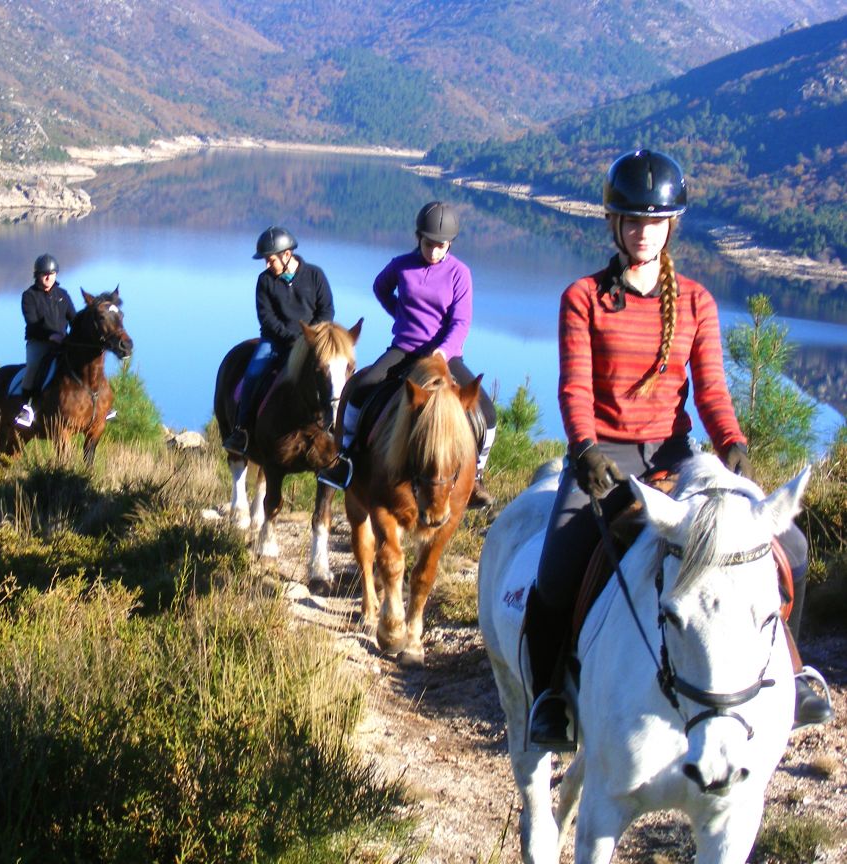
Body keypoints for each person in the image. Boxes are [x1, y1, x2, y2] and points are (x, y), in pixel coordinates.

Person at [525, 149, 831, 748]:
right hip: (603, 458)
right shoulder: (583, 298)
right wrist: (584, 448)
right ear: (615, 225)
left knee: (787, 544)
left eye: (655, 221)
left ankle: (793, 671)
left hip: (675, 454)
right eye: (633, 221)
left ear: (671, 226)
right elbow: (574, 386)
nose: (643, 233)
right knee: (557, 569)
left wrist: (732, 442)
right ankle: (550, 699)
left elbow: (711, 386)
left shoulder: (694, 301)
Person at [317, 201, 496, 509]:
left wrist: (443, 350)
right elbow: (380, 288)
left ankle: (477, 474)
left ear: (450, 243)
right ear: (418, 237)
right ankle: (344, 457)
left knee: (487, 412)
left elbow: (461, 322)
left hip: (444, 356)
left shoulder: (460, 274)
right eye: (429, 244)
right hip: (404, 349)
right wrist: (399, 315)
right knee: (359, 389)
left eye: (441, 246)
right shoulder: (401, 265)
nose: (435, 252)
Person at [223, 225, 335, 456]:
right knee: (253, 373)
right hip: (275, 342)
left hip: (312, 342)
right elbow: (267, 319)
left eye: (270, 259)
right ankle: (242, 430)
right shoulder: (265, 281)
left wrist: (310, 337)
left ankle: (336, 430)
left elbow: (326, 312)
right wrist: (292, 338)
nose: (266, 265)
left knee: (334, 374)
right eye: (265, 260)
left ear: (287, 255)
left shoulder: (315, 275)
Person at [16, 253, 75, 428]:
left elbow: (74, 318)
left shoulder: (62, 294)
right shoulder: (29, 296)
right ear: (38, 275)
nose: (49, 277)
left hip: (63, 343)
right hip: (39, 342)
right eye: (44, 274)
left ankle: (100, 405)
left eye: (52, 273)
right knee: (33, 367)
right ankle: (27, 407)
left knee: (85, 363)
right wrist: (51, 336)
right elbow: (32, 323)